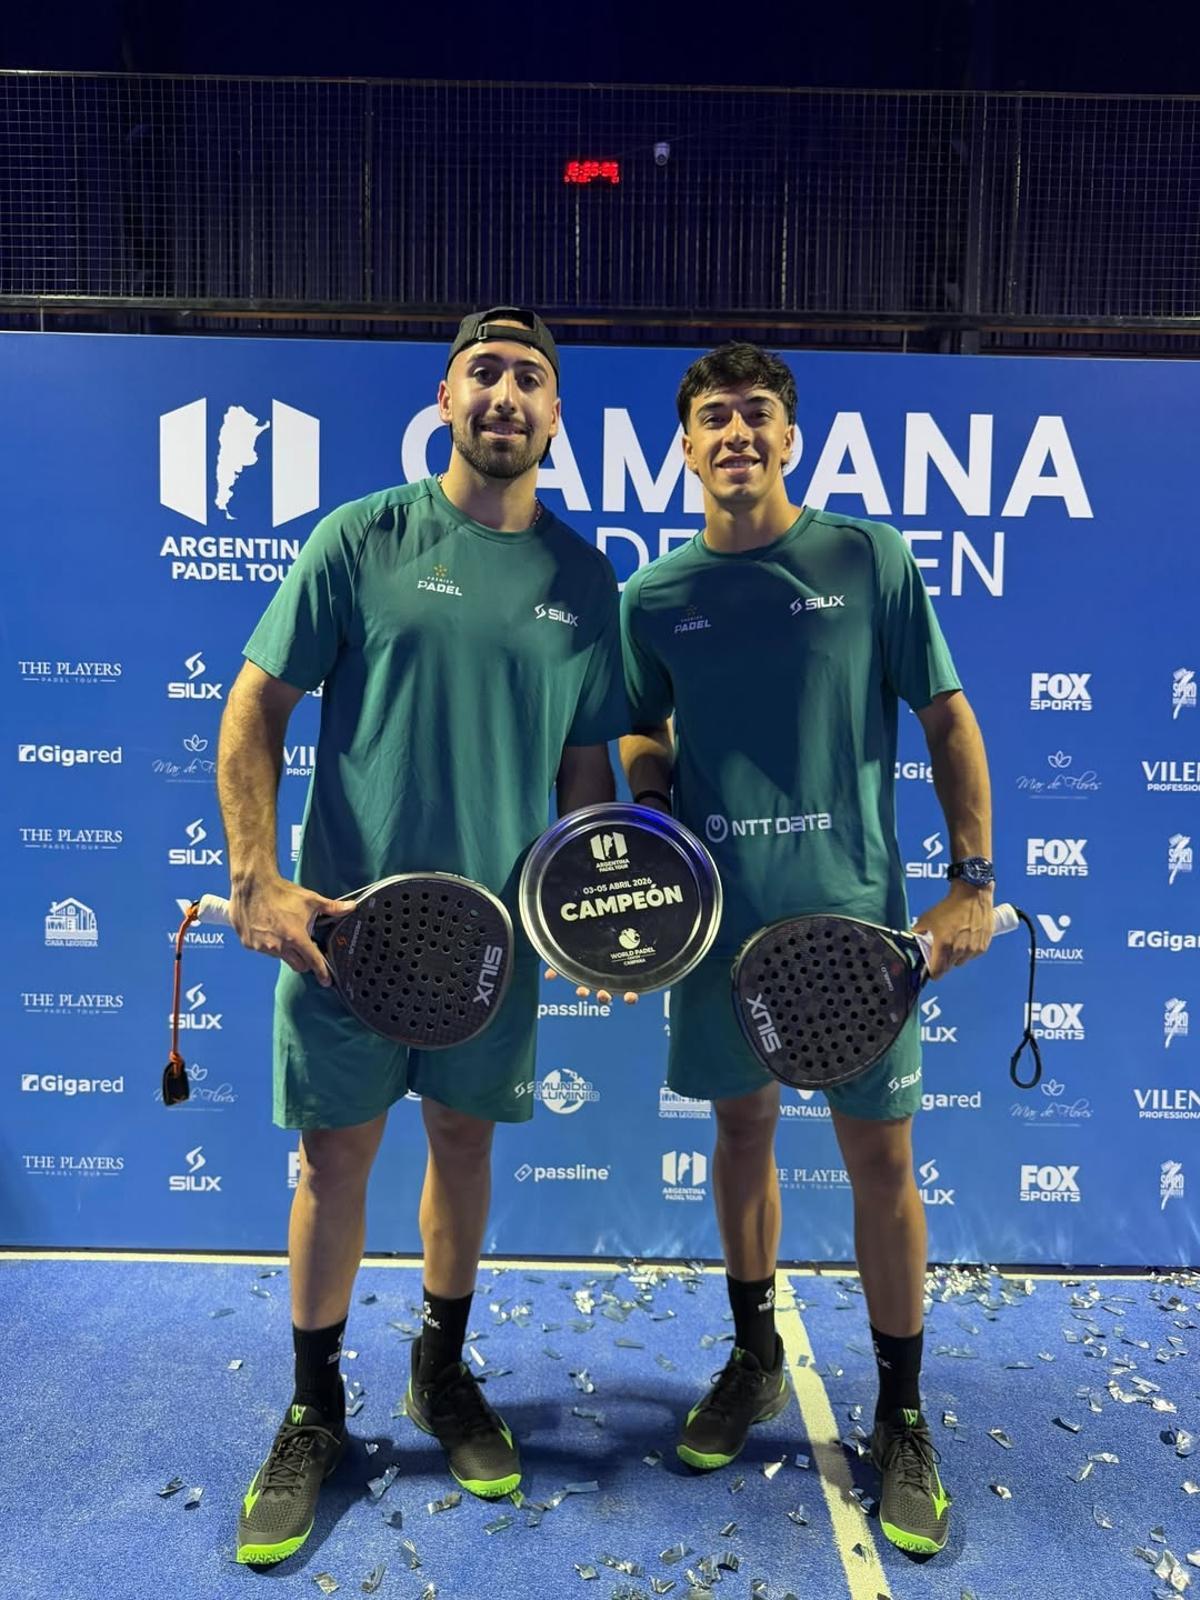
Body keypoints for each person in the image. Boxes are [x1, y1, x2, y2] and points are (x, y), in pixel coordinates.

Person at [220, 307, 627, 1566]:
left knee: (461, 1144)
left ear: (555, 416)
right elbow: (254, 709)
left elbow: (586, 772)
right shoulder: (361, 538)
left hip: (492, 949)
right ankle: (314, 1407)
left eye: (530, 379)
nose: (506, 395)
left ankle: (441, 1374)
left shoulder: (584, 581)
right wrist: (256, 877)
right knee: (333, 1163)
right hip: (346, 937)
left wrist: (593, 917)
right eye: (483, 372)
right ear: (445, 398)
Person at [619, 341, 994, 1557]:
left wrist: (972, 882)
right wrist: (654, 808)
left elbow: (948, 720)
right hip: (720, 931)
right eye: (714, 416)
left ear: (790, 437)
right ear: (686, 446)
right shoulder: (652, 595)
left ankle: (902, 1414)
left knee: (882, 1160)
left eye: (757, 413)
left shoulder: (867, 558)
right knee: (742, 1133)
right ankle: (753, 1356)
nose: (737, 432)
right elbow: (639, 729)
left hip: (859, 932)